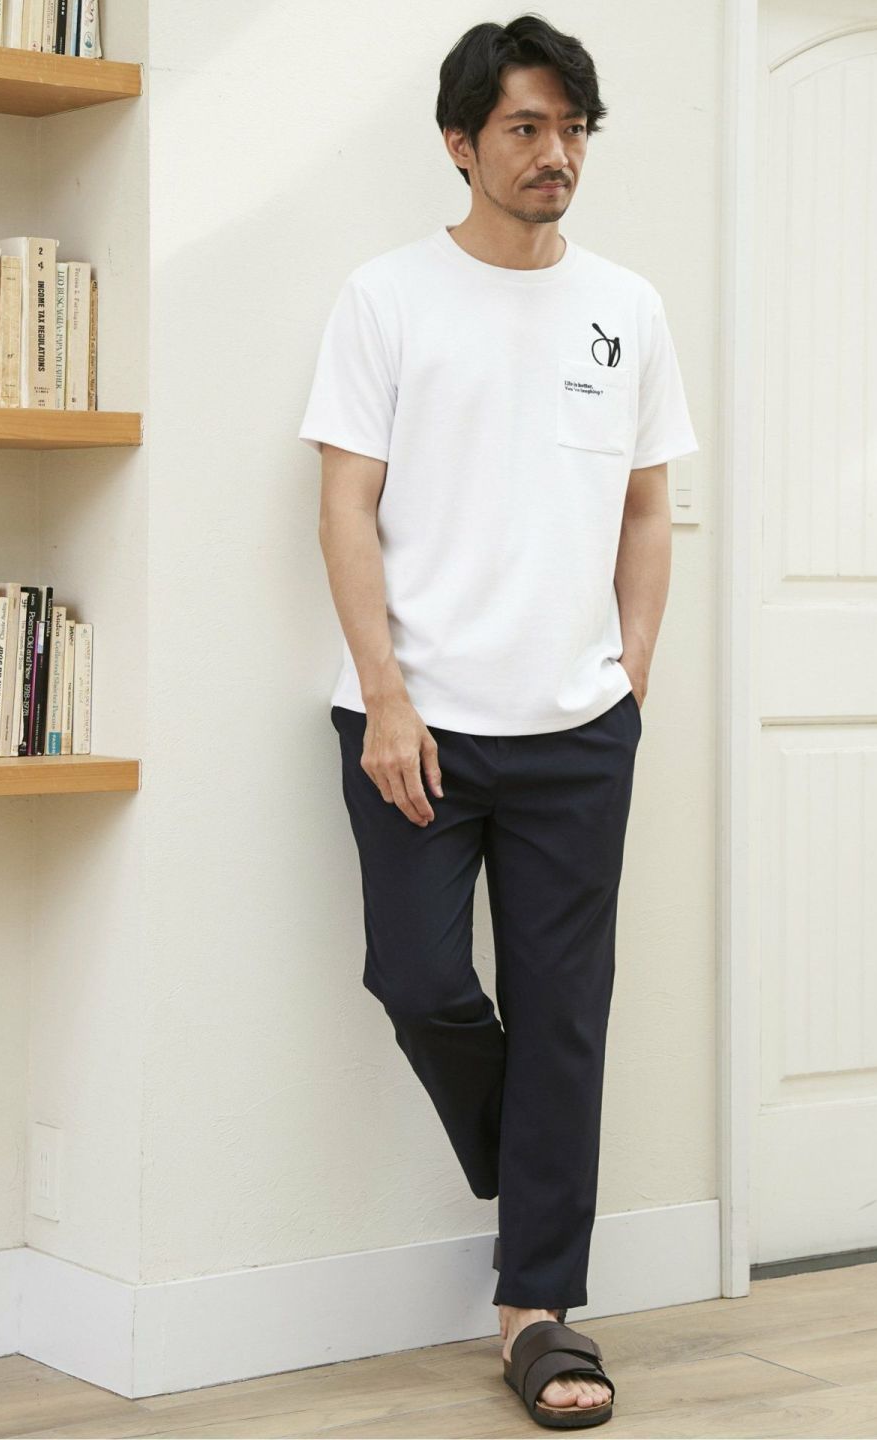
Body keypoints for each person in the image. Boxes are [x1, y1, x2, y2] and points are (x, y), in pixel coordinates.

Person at [298, 14, 698, 1429]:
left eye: (573, 129)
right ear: (461, 143)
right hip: (413, 723)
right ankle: (527, 1160)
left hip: (578, 730)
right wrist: (386, 696)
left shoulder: (627, 308)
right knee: (418, 980)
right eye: (526, 128)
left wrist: (629, 677)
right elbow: (344, 504)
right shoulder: (387, 298)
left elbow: (648, 509)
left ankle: (540, 1311)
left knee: (568, 1016)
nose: (555, 154)